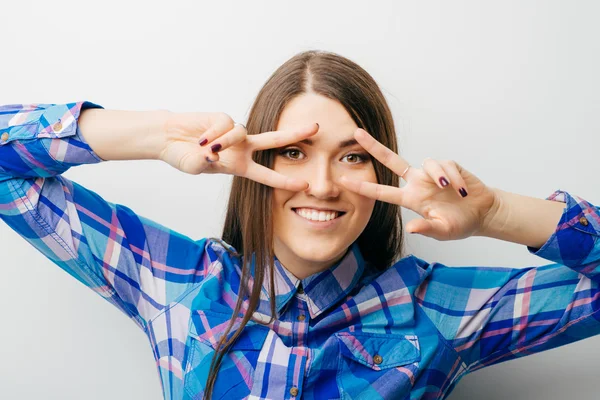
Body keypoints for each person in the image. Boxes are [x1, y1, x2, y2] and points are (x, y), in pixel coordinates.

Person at [0, 50, 597, 400]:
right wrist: (160, 139)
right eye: (293, 152)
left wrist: (493, 213)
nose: (321, 185)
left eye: (352, 155)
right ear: (258, 162)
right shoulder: (176, 283)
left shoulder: (438, 310)